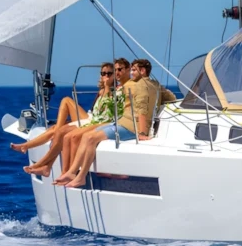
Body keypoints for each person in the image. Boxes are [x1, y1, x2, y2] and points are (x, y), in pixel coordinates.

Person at [55, 59, 176, 188]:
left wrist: (141, 132)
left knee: (90, 138)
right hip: (121, 122)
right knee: (86, 136)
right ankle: (72, 172)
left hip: (129, 127)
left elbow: (142, 109)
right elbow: (171, 98)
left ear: (142, 71)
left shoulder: (138, 85)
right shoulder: (155, 85)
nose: (131, 73)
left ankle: (80, 177)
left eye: (133, 70)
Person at [13, 62, 123, 171]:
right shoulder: (102, 90)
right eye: (103, 73)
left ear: (114, 75)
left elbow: (107, 108)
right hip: (92, 117)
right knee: (65, 104)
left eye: (109, 73)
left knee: (58, 131)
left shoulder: (115, 91)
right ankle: (31, 150)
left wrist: (107, 86)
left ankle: (41, 162)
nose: (106, 76)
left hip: (99, 121)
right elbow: (95, 110)